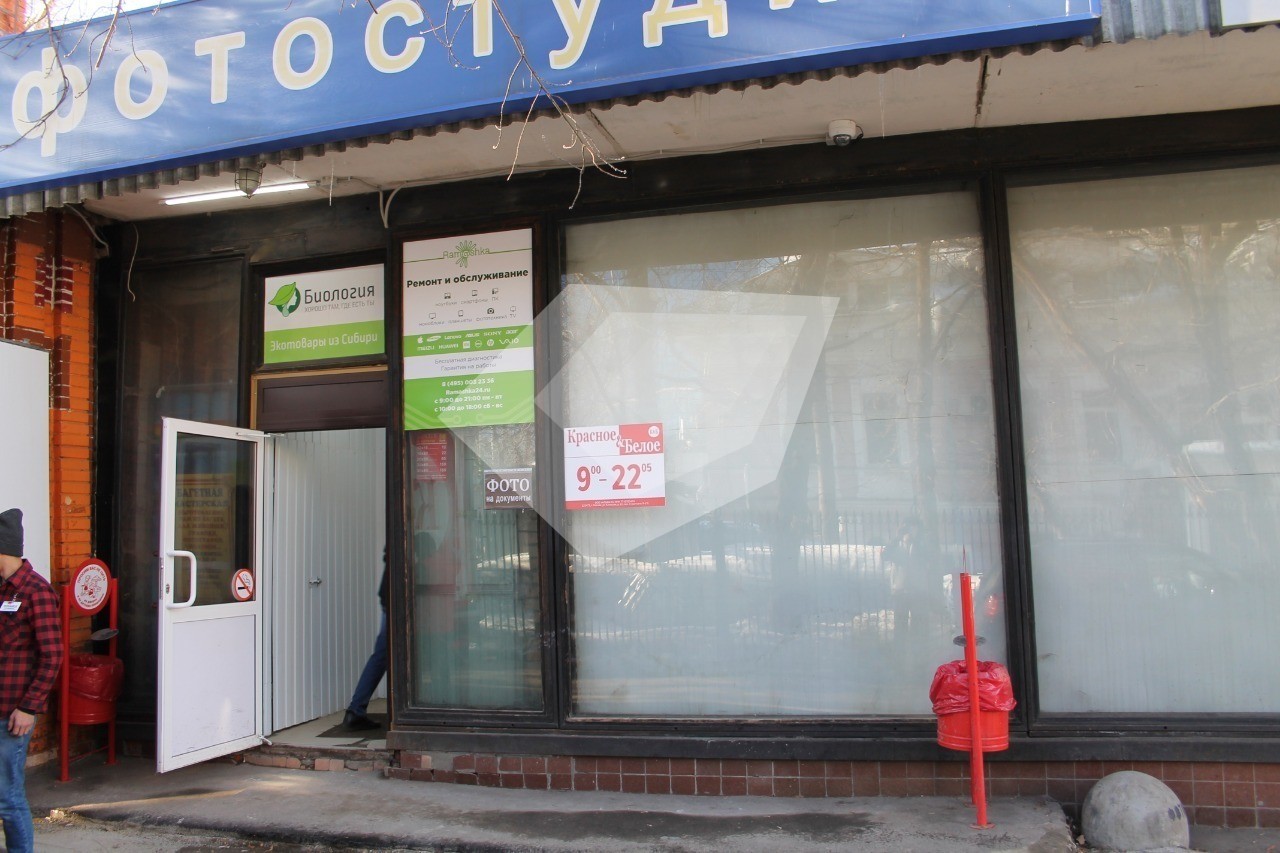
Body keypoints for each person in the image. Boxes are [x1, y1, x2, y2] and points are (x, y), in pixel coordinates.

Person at [0, 508, 63, 853]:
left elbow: (52, 656)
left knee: (7, 798)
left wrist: (28, 707)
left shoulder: (36, 591)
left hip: (12, 713)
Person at [342, 549, 388, 731]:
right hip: (395, 599)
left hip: (389, 598)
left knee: (382, 655)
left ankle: (356, 710)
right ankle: (356, 710)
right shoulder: (410, 543)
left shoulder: (392, 550)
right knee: (383, 655)